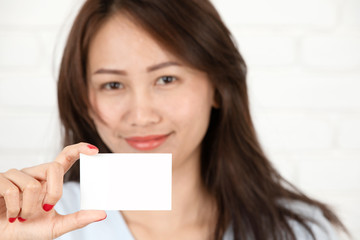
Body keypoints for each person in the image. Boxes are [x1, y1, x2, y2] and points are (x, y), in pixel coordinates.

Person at [0, 0, 349, 239]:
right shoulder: (41, 222)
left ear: (217, 87)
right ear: (84, 99)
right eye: (113, 84)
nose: (140, 115)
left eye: (166, 79)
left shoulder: (296, 230)